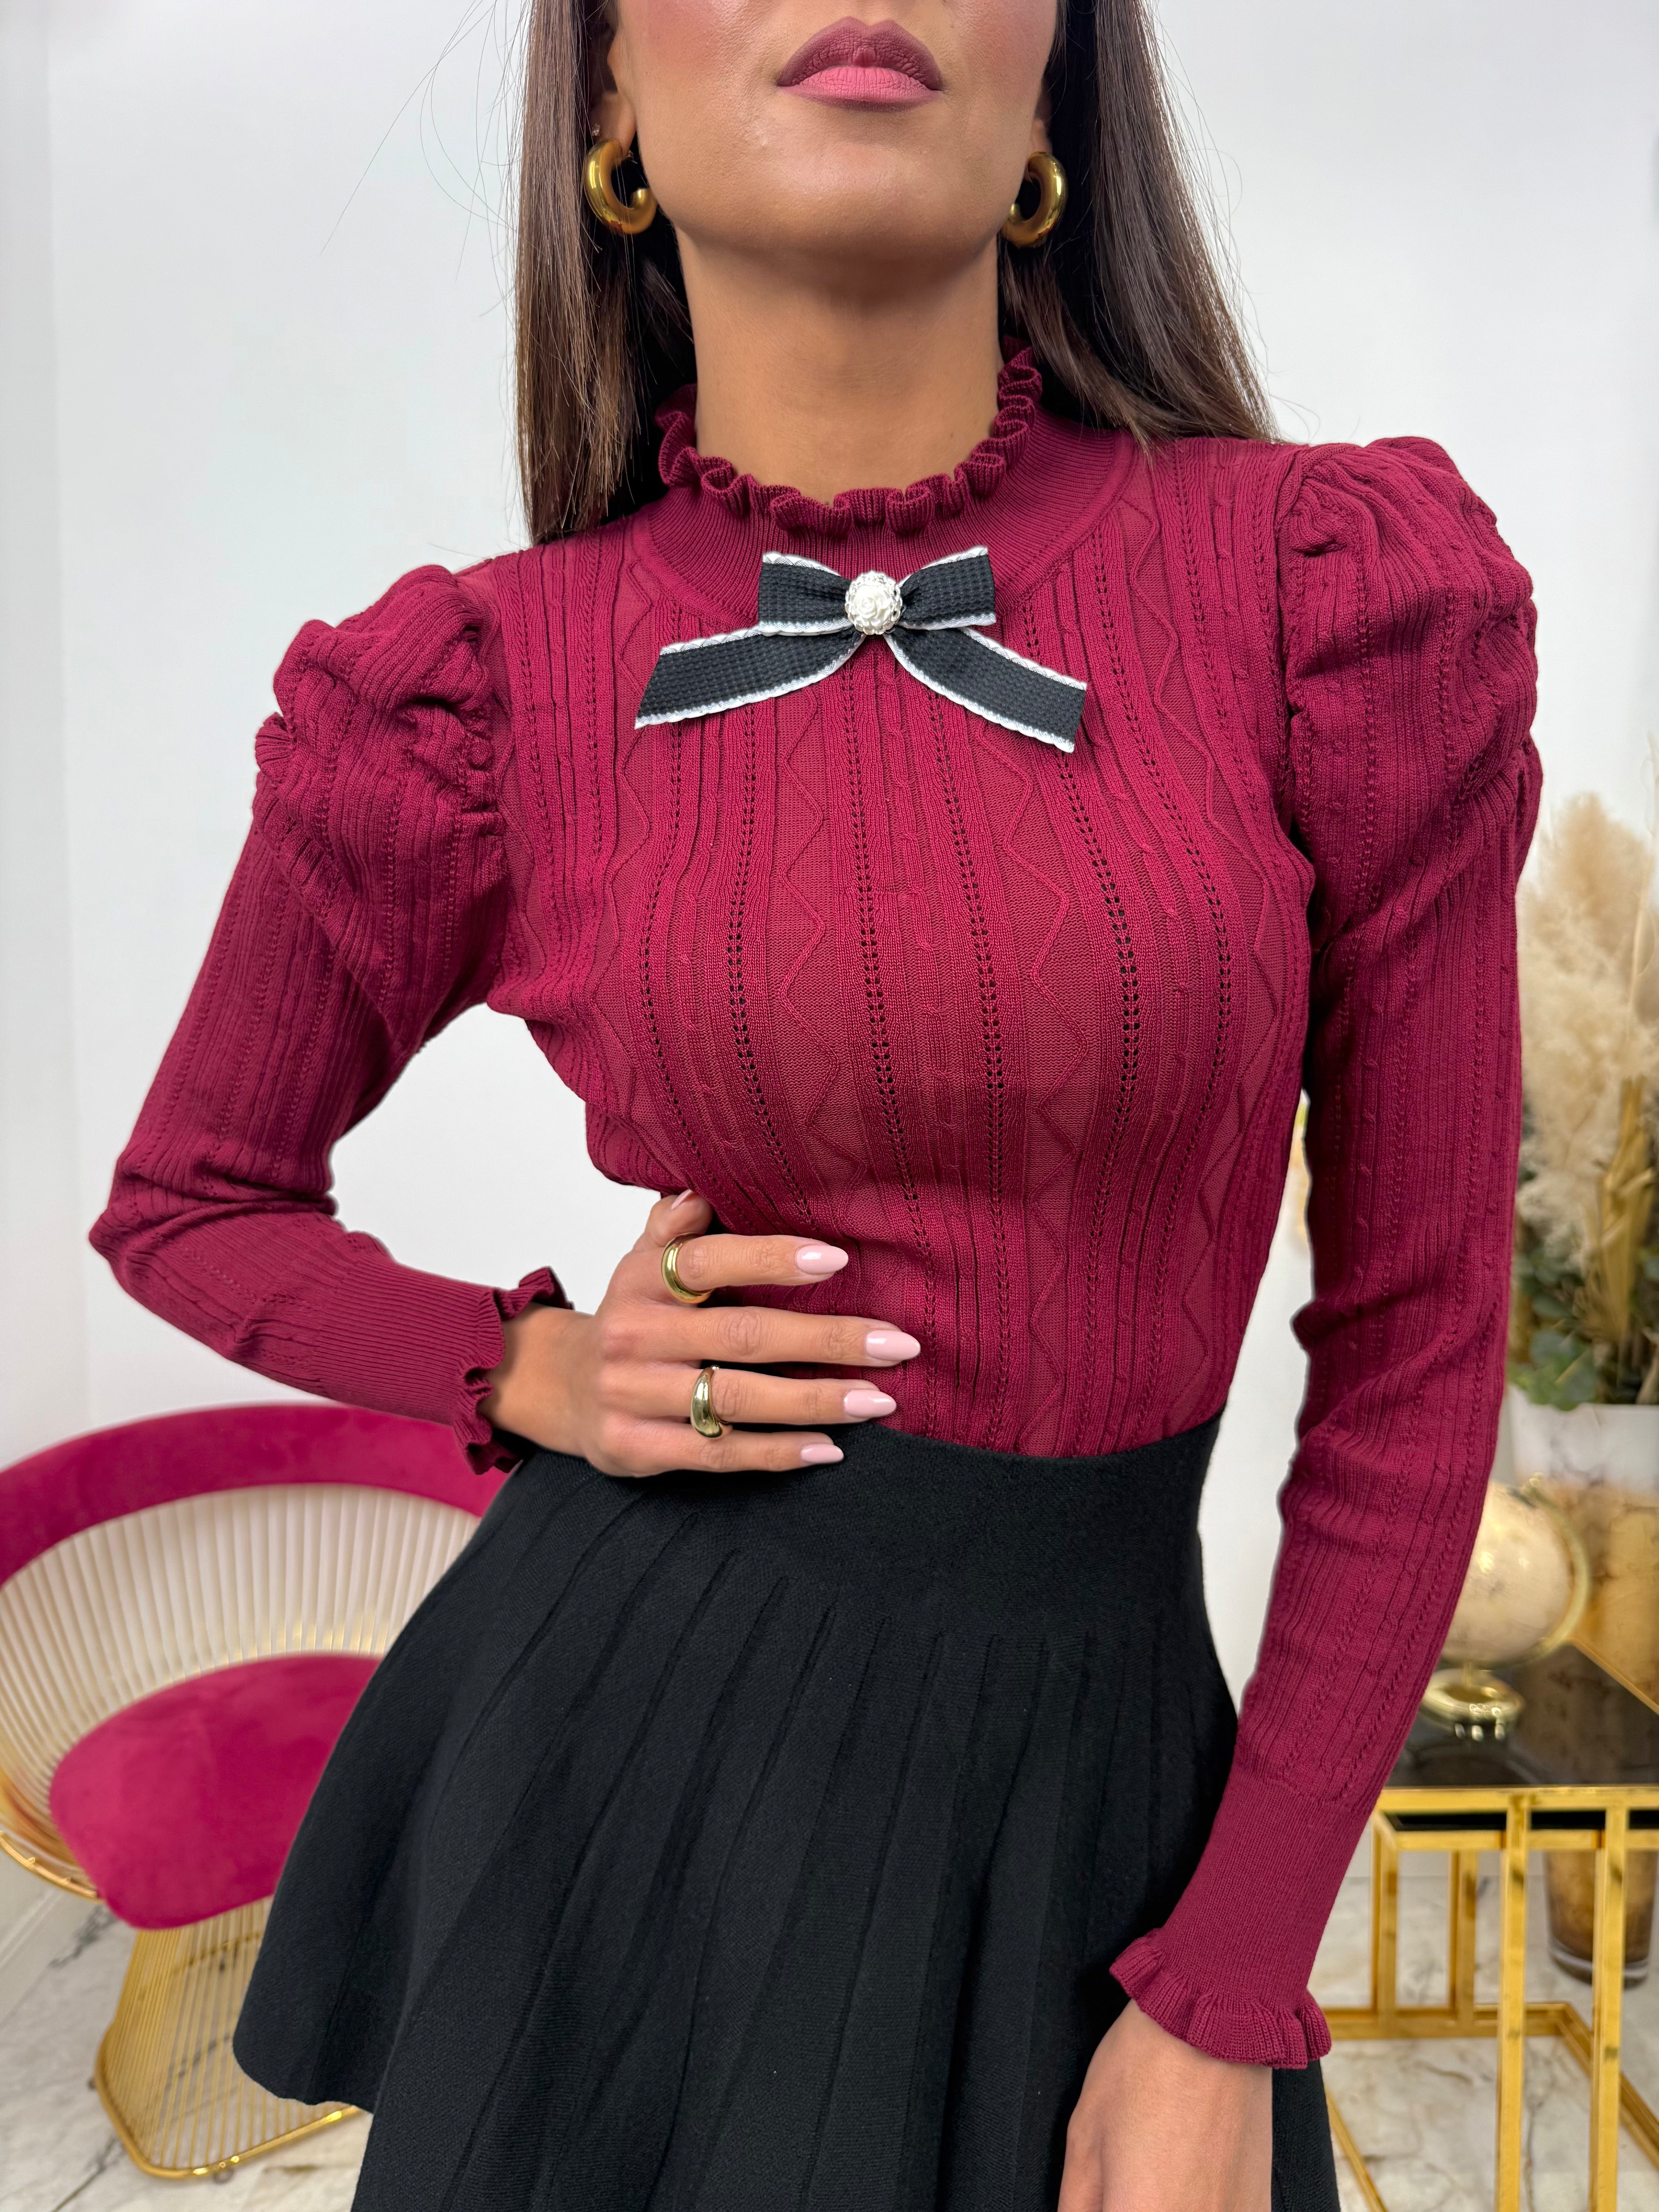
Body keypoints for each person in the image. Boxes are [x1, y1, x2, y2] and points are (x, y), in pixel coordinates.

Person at [89, 0, 1541, 2201]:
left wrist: (1230, 1980)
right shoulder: (477, 689)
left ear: (1057, 88)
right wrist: (526, 1368)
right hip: (621, 1763)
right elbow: (188, 1200)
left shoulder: (1328, 595)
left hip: (1098, 1788)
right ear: (606, 100)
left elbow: (1422, 1338)